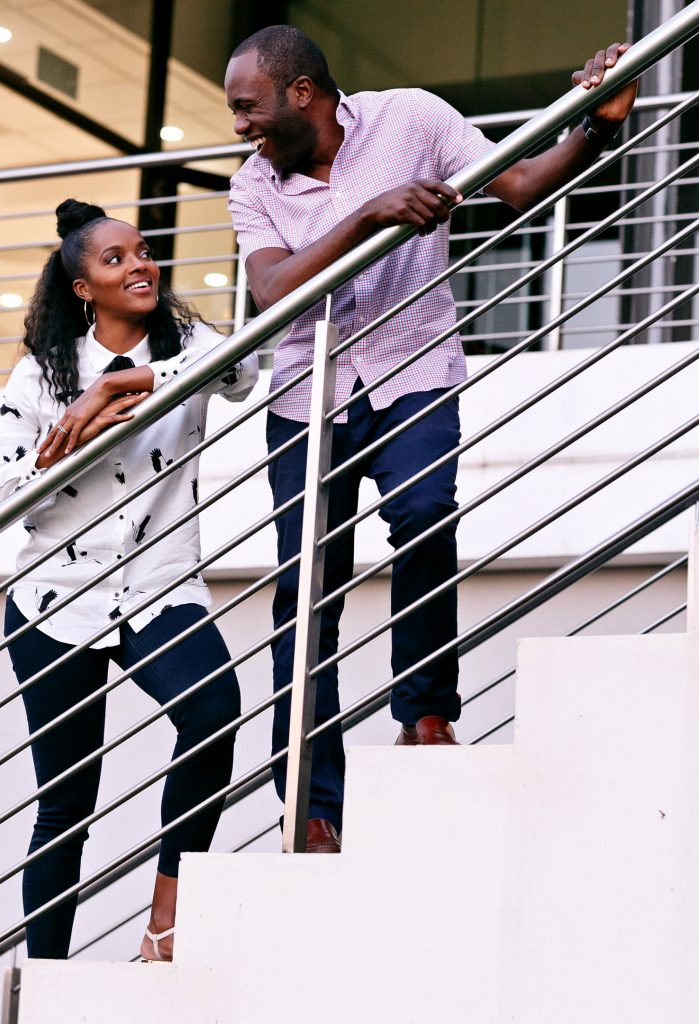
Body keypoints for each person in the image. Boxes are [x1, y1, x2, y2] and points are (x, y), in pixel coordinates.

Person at [224, 25, 638, 853]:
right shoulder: (251, 186)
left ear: (300, 92)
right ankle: (310, 804)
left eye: (247, 106)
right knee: (306, 598)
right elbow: (270, 291)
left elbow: (520, 185)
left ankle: (424, 713)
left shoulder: (411, 118)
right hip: (310, 402)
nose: (239, 124)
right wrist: (371, 216)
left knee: (424, 515)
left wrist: (594, 123)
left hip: (415, 374)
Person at [0, 199, 258, 961]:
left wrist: (120, 388)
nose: (139, 266)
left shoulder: (189, 342)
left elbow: (242, 370)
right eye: (114, 259)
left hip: (159, 585)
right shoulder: (41, 373)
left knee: (213, 712)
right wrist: (84, 417)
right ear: (81, 288)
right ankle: (46, 980)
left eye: (142, 252)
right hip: (51, 603)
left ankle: (166, 915)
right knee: (65, 804)